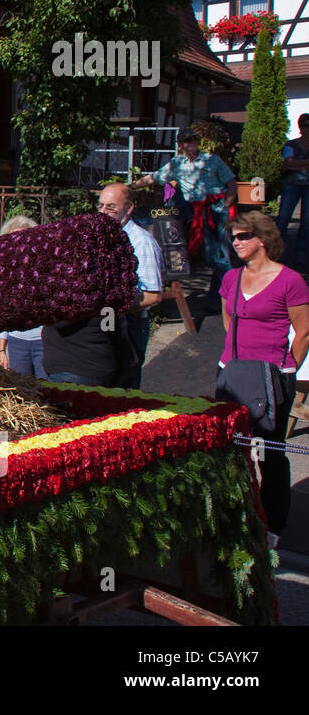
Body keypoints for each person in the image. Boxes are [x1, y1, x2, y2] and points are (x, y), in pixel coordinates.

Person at [218, 211, 309, 540]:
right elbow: (228, 319)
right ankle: (236, 514)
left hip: (273, 374)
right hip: (233, 371)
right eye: (234, 236)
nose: (236, 242)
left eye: (243, 236)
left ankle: (274, 524)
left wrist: (286, 370)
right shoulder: (231, 278)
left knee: (271, 450)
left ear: (263, 239)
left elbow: (304, 332)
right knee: (230, 447)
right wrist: (235, 360)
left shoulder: (290, 281)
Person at [135, 129, 237, 307]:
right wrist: (129, 187)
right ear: (180, 144)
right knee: (211, 253)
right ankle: (226, 293)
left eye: (194, 140)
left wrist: (227, 205)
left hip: (218, 207)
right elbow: (154, 178)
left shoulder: (212, 159)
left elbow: (231, 183)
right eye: (187, 141)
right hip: (199, 211)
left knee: (223, 251)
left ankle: (221, 297)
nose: (191, 144)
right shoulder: (177, 164)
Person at [97, 183, 164, 388]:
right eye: (100, 206)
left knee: (123, 385)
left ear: (129, 208)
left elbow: (153, 295)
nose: (103, 212)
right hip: (105, 320)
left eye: (111, 207)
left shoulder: (141, 242)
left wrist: (115, 307)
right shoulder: (103, 236)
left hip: (129, 324)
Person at [0, 216, 46, 379]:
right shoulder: (6, 272)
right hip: (17, 342)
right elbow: (4, 313)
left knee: (47, 389)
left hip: (42, 341)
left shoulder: (44, 268)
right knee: (22, 391)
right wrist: (2, 350)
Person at [277, 113, 309, 266]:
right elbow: (287, 164)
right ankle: (275, 250)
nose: (307, 129)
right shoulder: (291, 145)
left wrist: (297, 163)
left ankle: (300, 252)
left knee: (306, 220)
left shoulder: (292, 147)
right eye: (305, 126)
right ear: (300, 127)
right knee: (283, 217)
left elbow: (292, 163)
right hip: (292, 185)